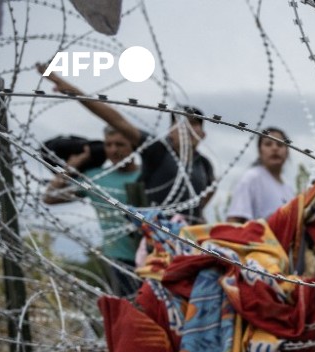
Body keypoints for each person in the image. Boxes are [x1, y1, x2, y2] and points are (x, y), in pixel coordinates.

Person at [38, 67, 215, 223]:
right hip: (157, 239)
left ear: (203, 134)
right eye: (180, 125)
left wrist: (196, 214)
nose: (187, 130)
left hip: (187, 238)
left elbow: (208, 192)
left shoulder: (204, 165)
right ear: (170, 132)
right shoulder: (159, 151)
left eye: (193, 124)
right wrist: (72, 90)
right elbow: (117, 121)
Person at [42, 126, 142, 295]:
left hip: (154, 256)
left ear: (133, 146)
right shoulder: (95, 177)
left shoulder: (147, 174)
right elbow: (50, 197)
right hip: (119, 259)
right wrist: (71, 167)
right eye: (108, 145)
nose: (113, 150)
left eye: (120, 144)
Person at [226, 127, 295, 223]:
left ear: (287, 151)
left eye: (280, 144)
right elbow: (234, 221)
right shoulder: (252, 178)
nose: (275, 148)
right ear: (260, 151)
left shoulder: (288, 188)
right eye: (268, 144)